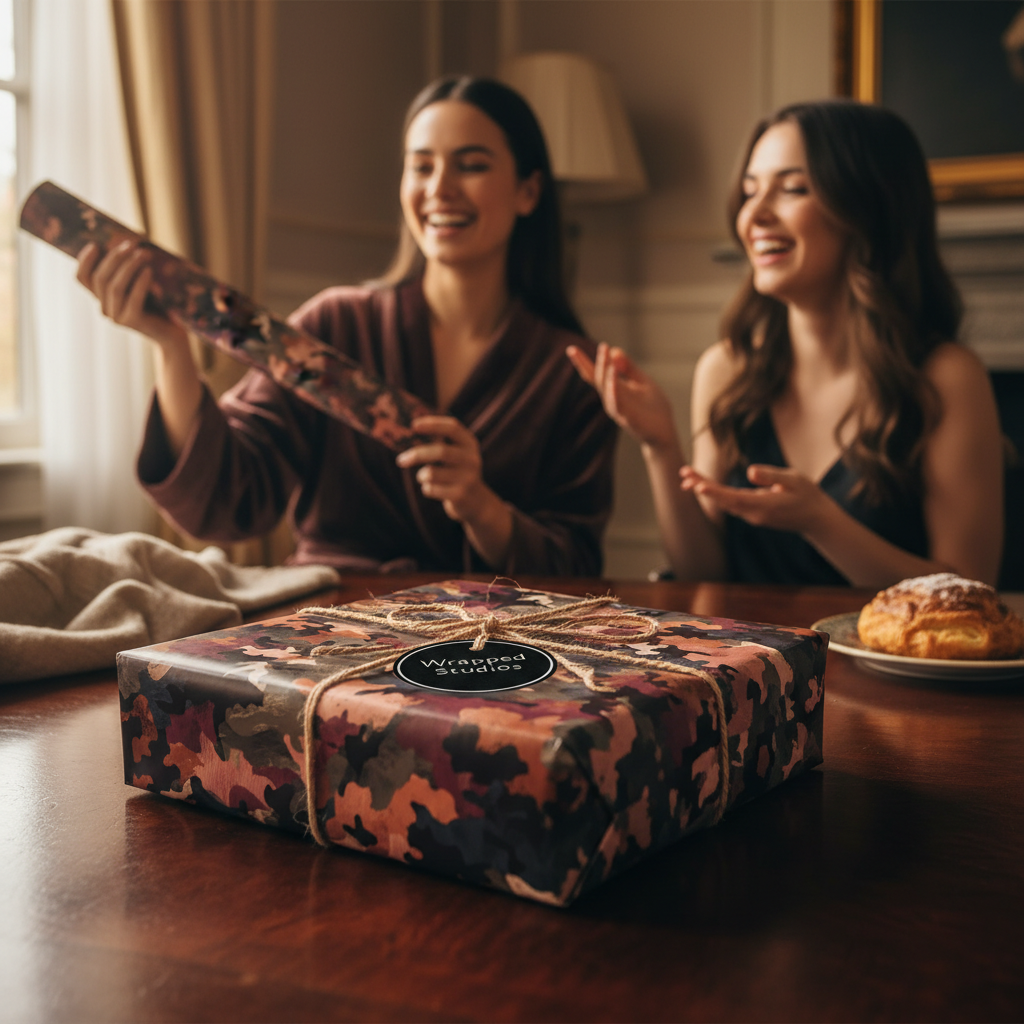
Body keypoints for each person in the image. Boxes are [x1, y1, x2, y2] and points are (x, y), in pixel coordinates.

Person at [76, 77, 616, 575]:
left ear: (528, 190)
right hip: (325, 628)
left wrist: (483, 507)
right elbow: (229, 499)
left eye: (471, 165)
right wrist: (172, 348)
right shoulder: (335, 325)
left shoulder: (572, 372)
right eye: (422, 166)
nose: (440, 187)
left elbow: (576, 566)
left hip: (483, 644)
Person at [570, 100, 1003, 587]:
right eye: (750, 191)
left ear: (867, 209)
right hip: (756, 663)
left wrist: (822, 523)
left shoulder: (946, 376)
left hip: (887, 662)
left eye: (793, 189)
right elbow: (702, 575)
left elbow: (969, 588)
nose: (754, 214)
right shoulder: (725, 370)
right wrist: (660, 446)